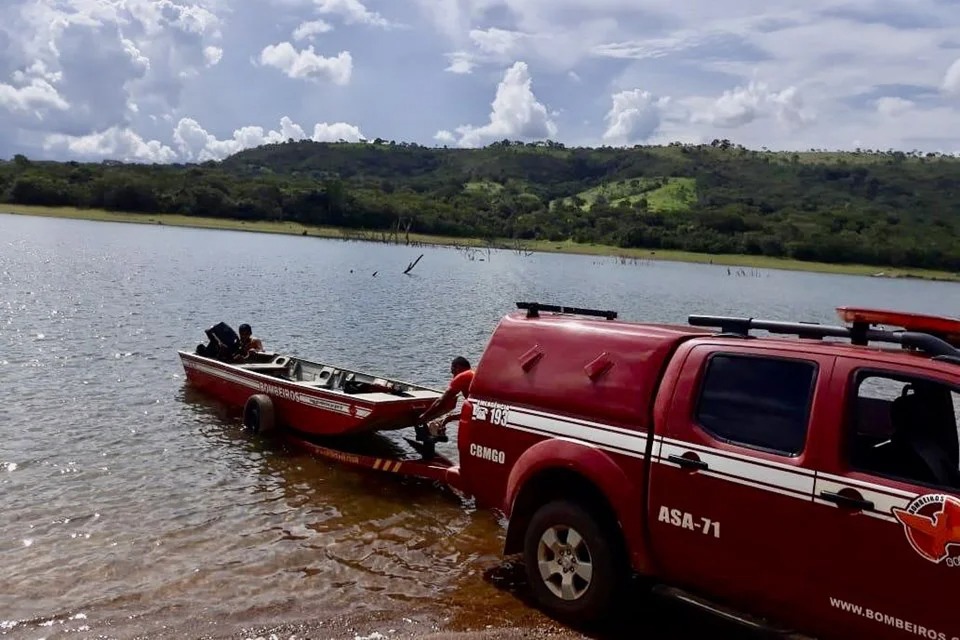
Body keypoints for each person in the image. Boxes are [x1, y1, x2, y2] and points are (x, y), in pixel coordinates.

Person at [416, 356, 474, 443]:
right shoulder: (475, 374)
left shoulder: (462, 377)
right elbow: (474, 412)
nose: (453, 376)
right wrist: (449, 418)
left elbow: (442, 401)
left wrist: (424, 416)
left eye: (453, 372)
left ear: (457, 368)